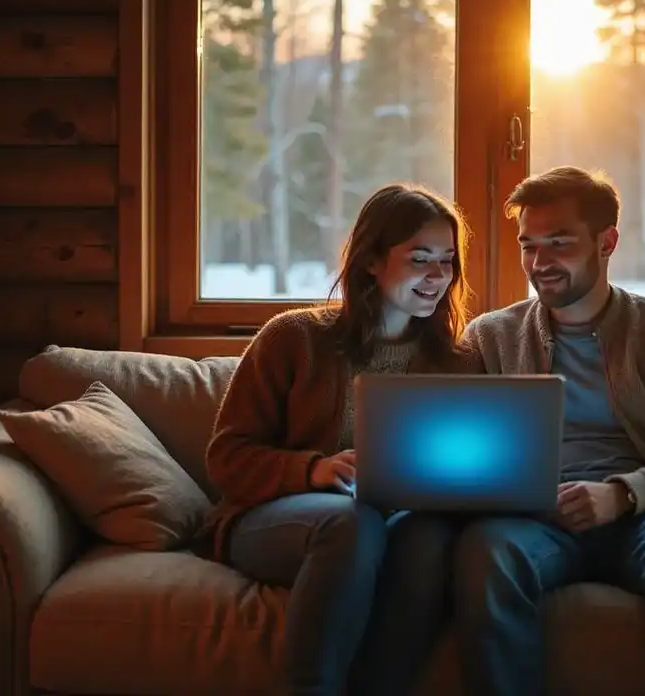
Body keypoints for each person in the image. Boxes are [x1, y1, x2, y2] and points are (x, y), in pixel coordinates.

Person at [455, 165, 645, 695]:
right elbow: (460, 451)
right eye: (529, 245)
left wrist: (623, 494)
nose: (539, 262)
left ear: (607, 242)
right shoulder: (489, 338)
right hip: (539, 521)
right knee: (487, 552)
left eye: (559, 243)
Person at [201, 183, 477, 696]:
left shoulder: (457, 360)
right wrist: (313, 470)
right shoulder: (294, 338)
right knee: (352, 522)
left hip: (397, 522)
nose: (438, 276)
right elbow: (227, 458)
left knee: (427, 538)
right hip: (281, 520)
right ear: (372, 260)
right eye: (420, 259)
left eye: (447, 261)